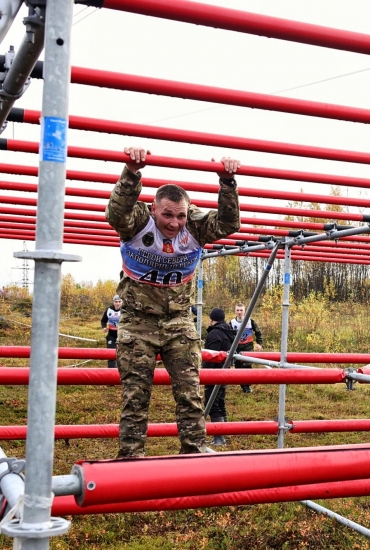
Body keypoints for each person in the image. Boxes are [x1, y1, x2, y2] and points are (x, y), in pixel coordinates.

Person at [106, 146, 241, 458]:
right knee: (136, 396)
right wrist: (131, 173)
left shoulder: (193, 225)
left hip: (179, 321)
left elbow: (228, 224)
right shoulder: (139, 222)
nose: (174, 223)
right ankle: (131, 456)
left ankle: (193, 452)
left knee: (190, 393)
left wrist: (227, 183)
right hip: (138, 321)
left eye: (180, 215)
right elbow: (115, 213)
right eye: (167, 214)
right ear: (154, 209)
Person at [202, 307, 237, 447]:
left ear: (212, 320)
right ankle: (223, 433)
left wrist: (205, 375)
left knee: (211, 404)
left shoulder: (215, 334)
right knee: (219, 402)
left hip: (214, 373)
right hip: (224, 372)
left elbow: (210, 356)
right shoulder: (229, 332)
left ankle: (219, 437)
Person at [230, 302, 263, 393]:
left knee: (247, 365)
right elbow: (228, 336)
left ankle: (247, 385)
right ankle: (243, 386)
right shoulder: (232, 323)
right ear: (235, 311)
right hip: (237, 347)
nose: (239, 312)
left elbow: (258, 332)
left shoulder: (250, 321)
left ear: (245, 311)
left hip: (248, 346)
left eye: (241, 310)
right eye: (238, 310)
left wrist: (259, 343)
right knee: (239, 367)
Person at [101, 294, 123, 369]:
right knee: (111, 355)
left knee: (122, 356)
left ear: (122, 302)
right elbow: (103, 320)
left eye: (119, 301)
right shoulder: (109, 310)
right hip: (111, 336)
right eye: (116, 302)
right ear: (113, 302)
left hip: (122, 336)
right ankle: (110, 373)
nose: (118, 303)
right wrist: (104, 327)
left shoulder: (125, 311)